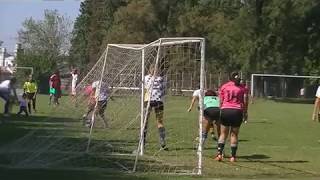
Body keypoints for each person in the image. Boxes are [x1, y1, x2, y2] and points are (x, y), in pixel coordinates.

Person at [215, 72, 248, 162]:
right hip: (237, 111)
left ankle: (219, 154)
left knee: (223, 134)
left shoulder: (224, 86)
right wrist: (245, 113)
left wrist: (220, 110)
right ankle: (233, 157)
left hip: (225, 110)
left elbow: (220, 101)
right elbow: (245, 101)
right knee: (234, 135)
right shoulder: (243, 88)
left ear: (229, 78)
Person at [143, 66, 167, 150]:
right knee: (160, 122)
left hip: (148, 101)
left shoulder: (146, 78)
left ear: (150, 70)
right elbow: (164, 91)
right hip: (158, 101)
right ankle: (162, 142)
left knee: (145, 121)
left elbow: (144, 89)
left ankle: (143, 143)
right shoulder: (162, 79)